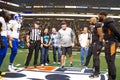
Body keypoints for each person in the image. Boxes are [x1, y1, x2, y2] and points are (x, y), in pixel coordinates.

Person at [98, 11, 120, 80]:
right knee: (108, 60)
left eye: (99, 16)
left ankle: (112, 78)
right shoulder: (104, 23)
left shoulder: (109, 22)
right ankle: (110, 77)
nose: (98, 17)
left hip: (112, 43)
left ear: (103, 15)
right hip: (108, 43)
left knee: (111, 61)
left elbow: (116, 31)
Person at [0, 10, 9, 77]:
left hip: (4, 37)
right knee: (1, 54)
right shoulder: (1, 18)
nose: (8, 15)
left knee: (3, 55)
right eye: (7, 13)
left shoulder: (4, 20)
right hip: (2, 37)